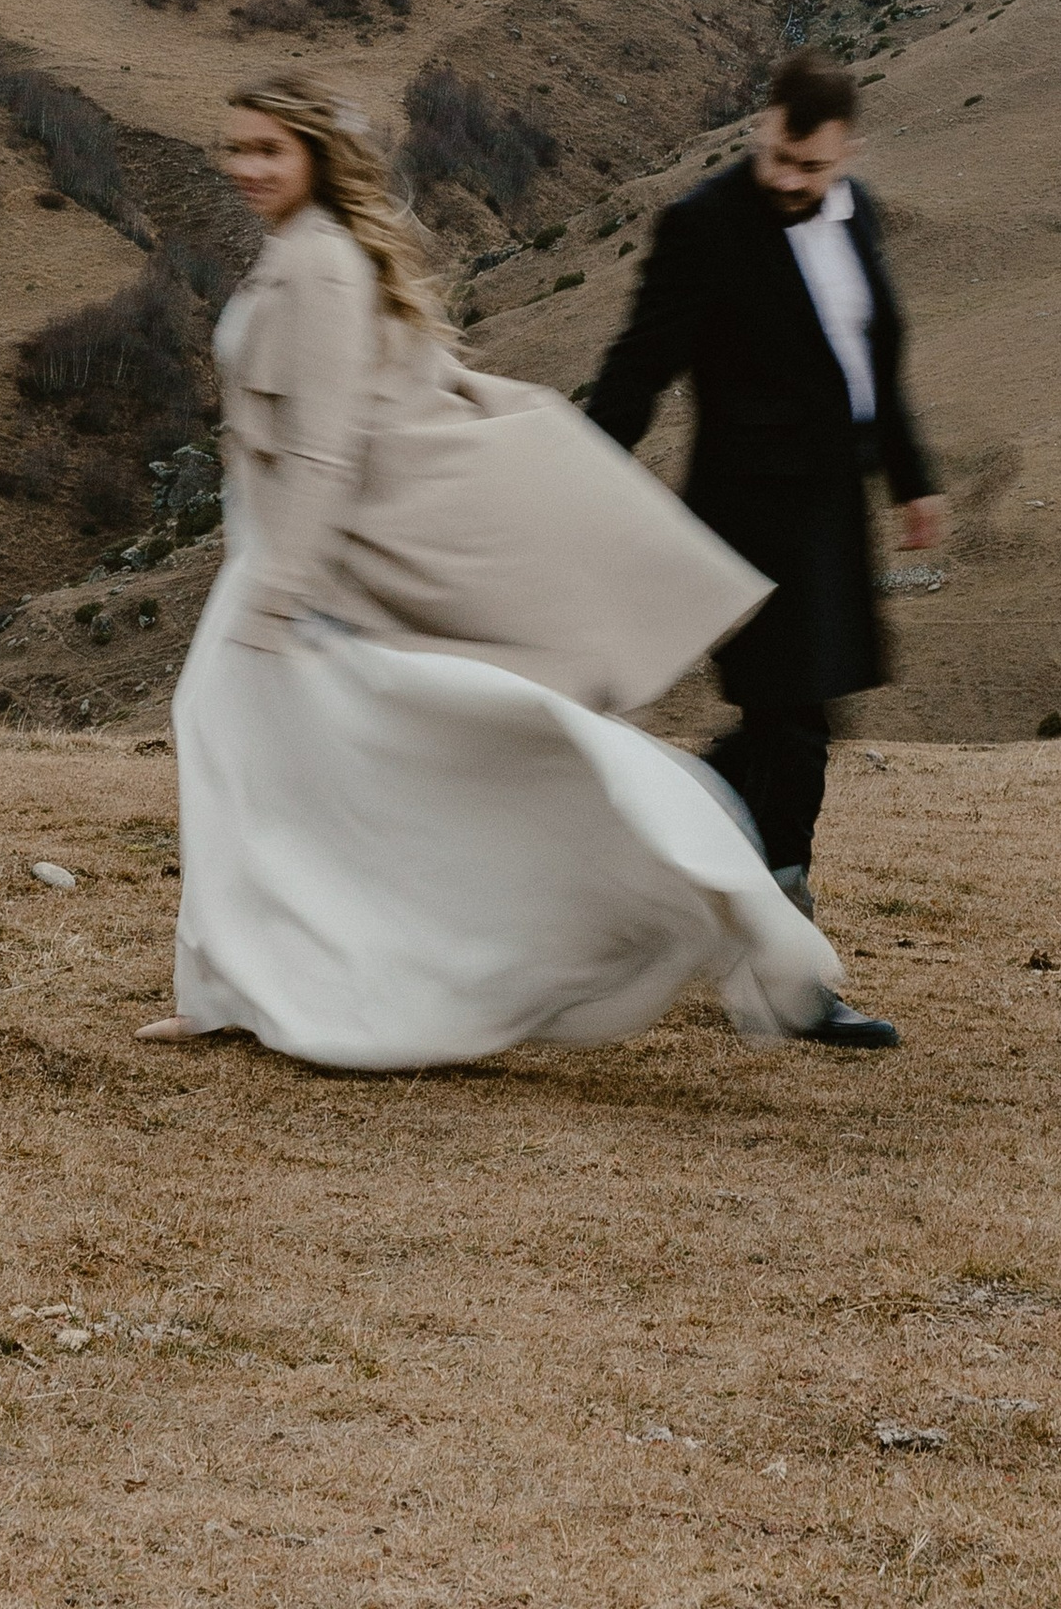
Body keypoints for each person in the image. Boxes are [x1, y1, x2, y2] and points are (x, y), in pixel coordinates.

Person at [137, 70, 877, 1072]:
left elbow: (321, 449)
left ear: (314, 155)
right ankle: (229, 987)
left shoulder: (317, 266)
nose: (245, 167)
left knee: (270, 771)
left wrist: (283, 590)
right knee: (261, 772)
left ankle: (268, 984)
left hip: (290, 568)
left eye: (268, 149)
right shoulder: (303, 251)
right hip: (278, 558)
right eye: (235, 147)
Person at [586, 50, 944, 1036]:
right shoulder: (702, 227)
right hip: (743, 521)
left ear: (845, 153)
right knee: (794, 732)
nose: (792, 182)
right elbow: (637, 364)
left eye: (811, 169)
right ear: (763, 129)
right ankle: (788, 979)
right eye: (781, 159)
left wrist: (912, 478)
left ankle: (653, 871)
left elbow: (873, 354)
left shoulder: (855, 210)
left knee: (786, 732)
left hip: (828, 514)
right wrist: (578, 474)